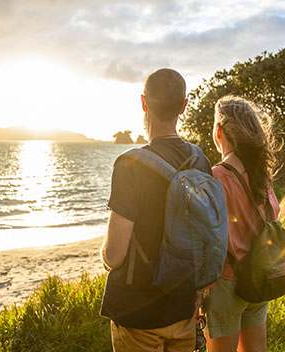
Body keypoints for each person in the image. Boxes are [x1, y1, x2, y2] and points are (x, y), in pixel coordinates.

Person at [100, 68, 212, 351]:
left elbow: (114, 256)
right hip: (183, 307)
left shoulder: (129, 165)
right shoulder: (200, 161)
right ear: (184, 106)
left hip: (138, 312)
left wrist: (103, 254)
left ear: (143, 102)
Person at [206, 96, 280, 352]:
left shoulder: (215, 177)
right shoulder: (263, 175)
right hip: (259, 277)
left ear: (219, 132)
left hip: (226, 283)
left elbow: (209, 240)